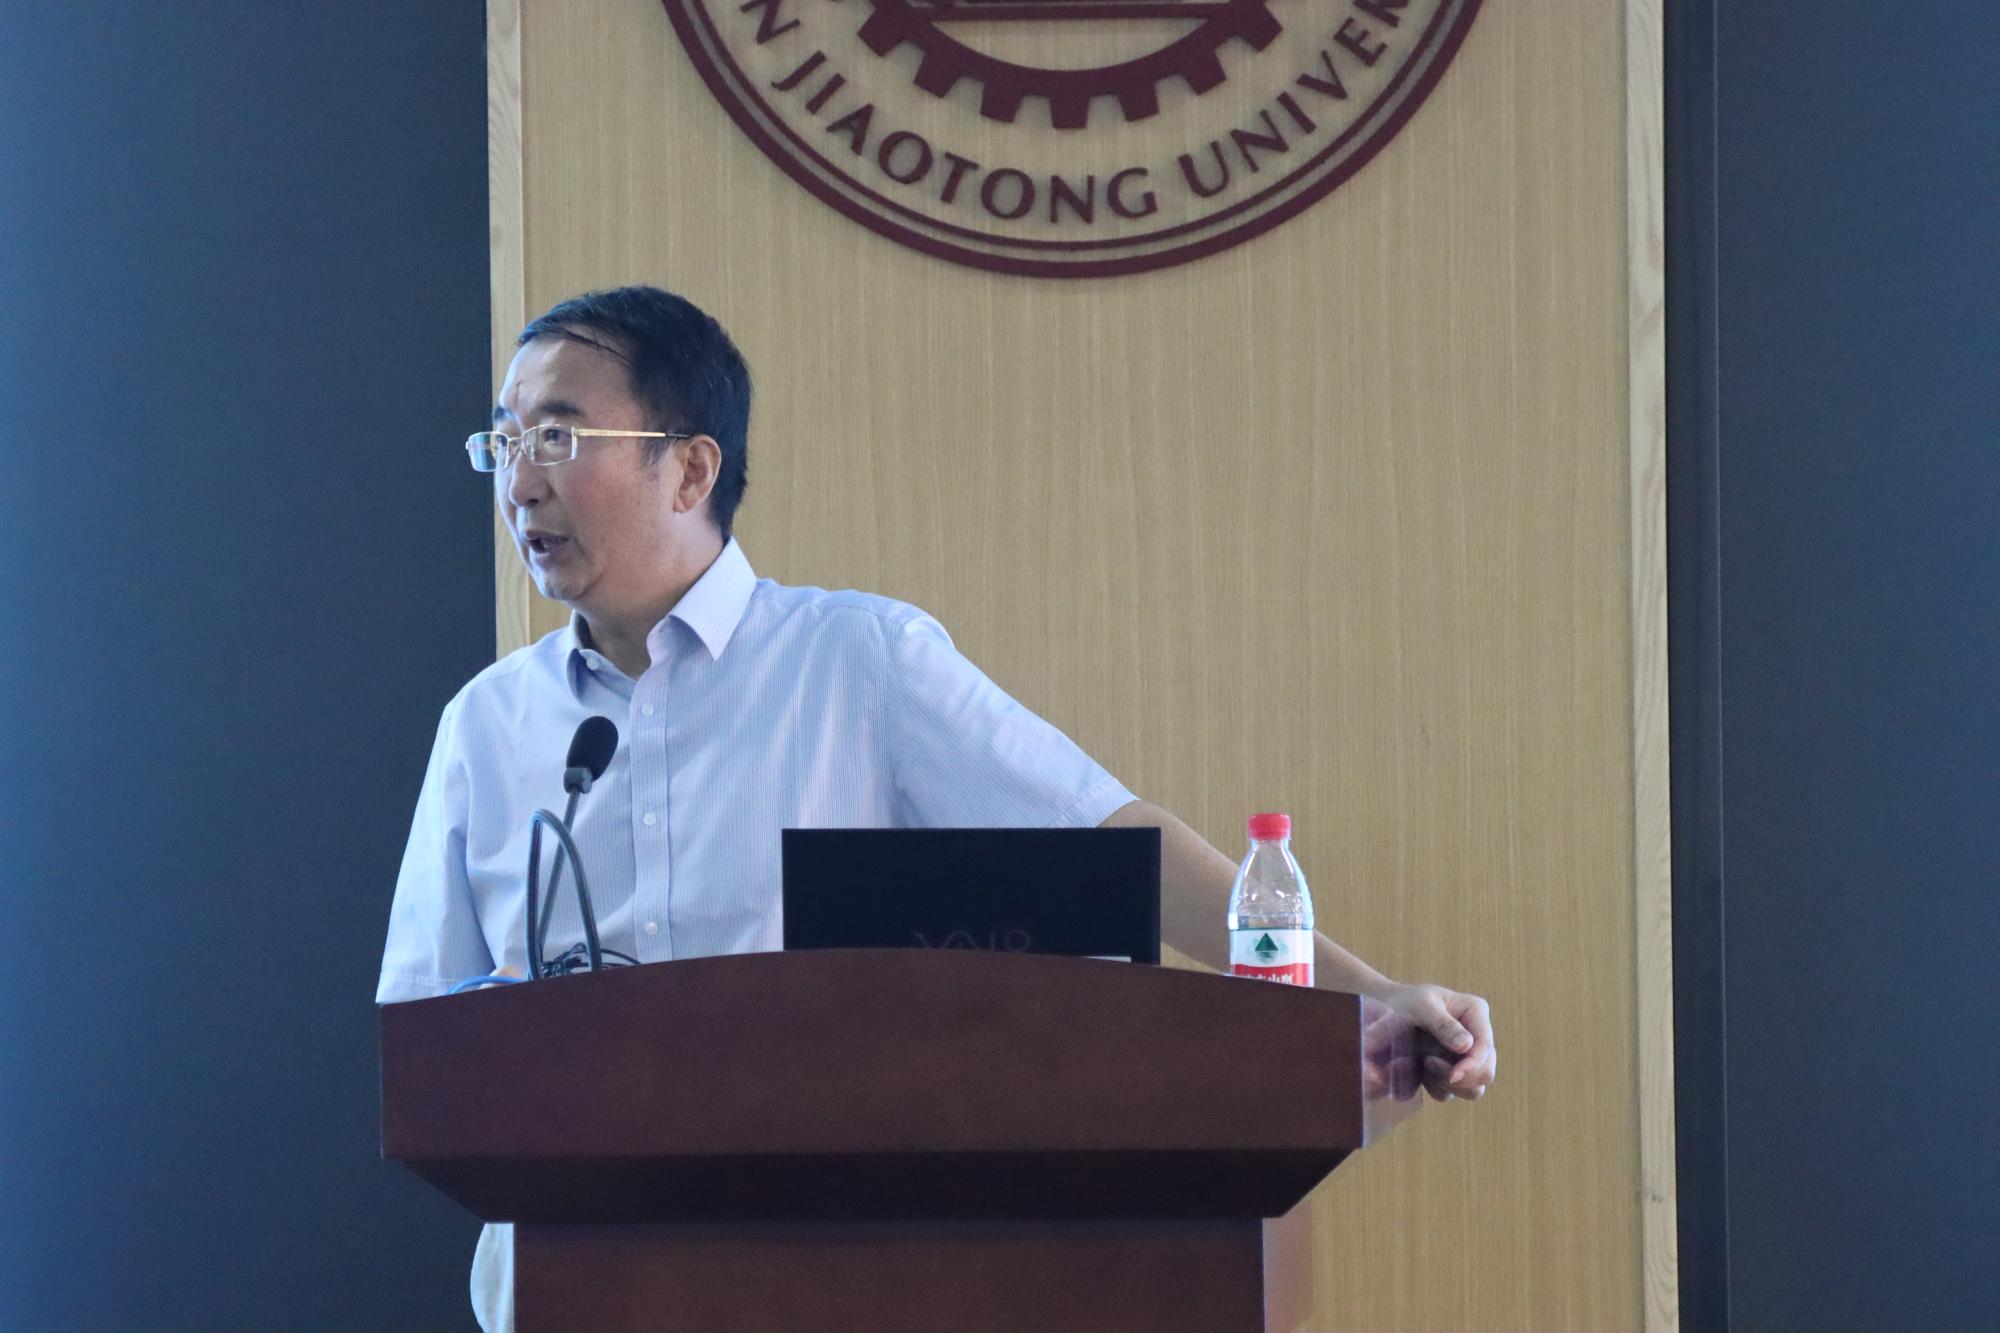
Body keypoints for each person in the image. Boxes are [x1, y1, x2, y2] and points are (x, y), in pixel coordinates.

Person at [378, 285, 1496, 1331]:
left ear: (689, 468)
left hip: (844, 1271)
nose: (519, 482)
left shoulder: (857, 661)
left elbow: (1107, 836)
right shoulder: (488, 725)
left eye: (558, 437)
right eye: (505, 443)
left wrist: (1370, 997)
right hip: (576, 1282)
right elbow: (427, 1036)